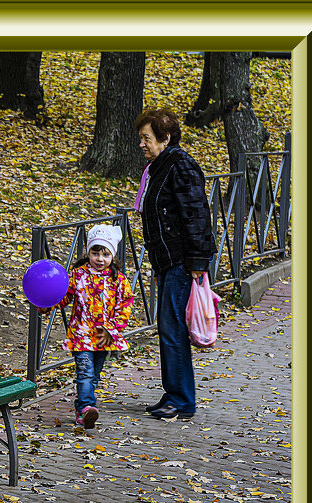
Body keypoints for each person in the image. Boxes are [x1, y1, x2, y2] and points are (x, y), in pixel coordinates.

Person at [133, 108, 216, 420]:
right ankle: (175, 395)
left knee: (172, 328)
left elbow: (196, 215)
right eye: (141, 138)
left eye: (147, 138)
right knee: (169, 327)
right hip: (168, 261)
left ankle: (181, 400)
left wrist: (198, 262)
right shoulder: (160, 167)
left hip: (182, 261)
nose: (141, 144)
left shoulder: (180, 166)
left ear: (165, 138)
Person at [41, 224, 134, 430]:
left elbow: (125, 306)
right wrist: (47, 304)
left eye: (105, 254)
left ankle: (81, 409)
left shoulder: (118, 280)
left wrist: (112, 329)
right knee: (85, 373)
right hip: (81, 335)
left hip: (103, 337)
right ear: (88, 253)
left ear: (112, 256)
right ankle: (86, 408)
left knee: (94, 376)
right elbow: (64, 297)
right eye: (95, 253)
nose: (100, 259)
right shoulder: (77, 275)